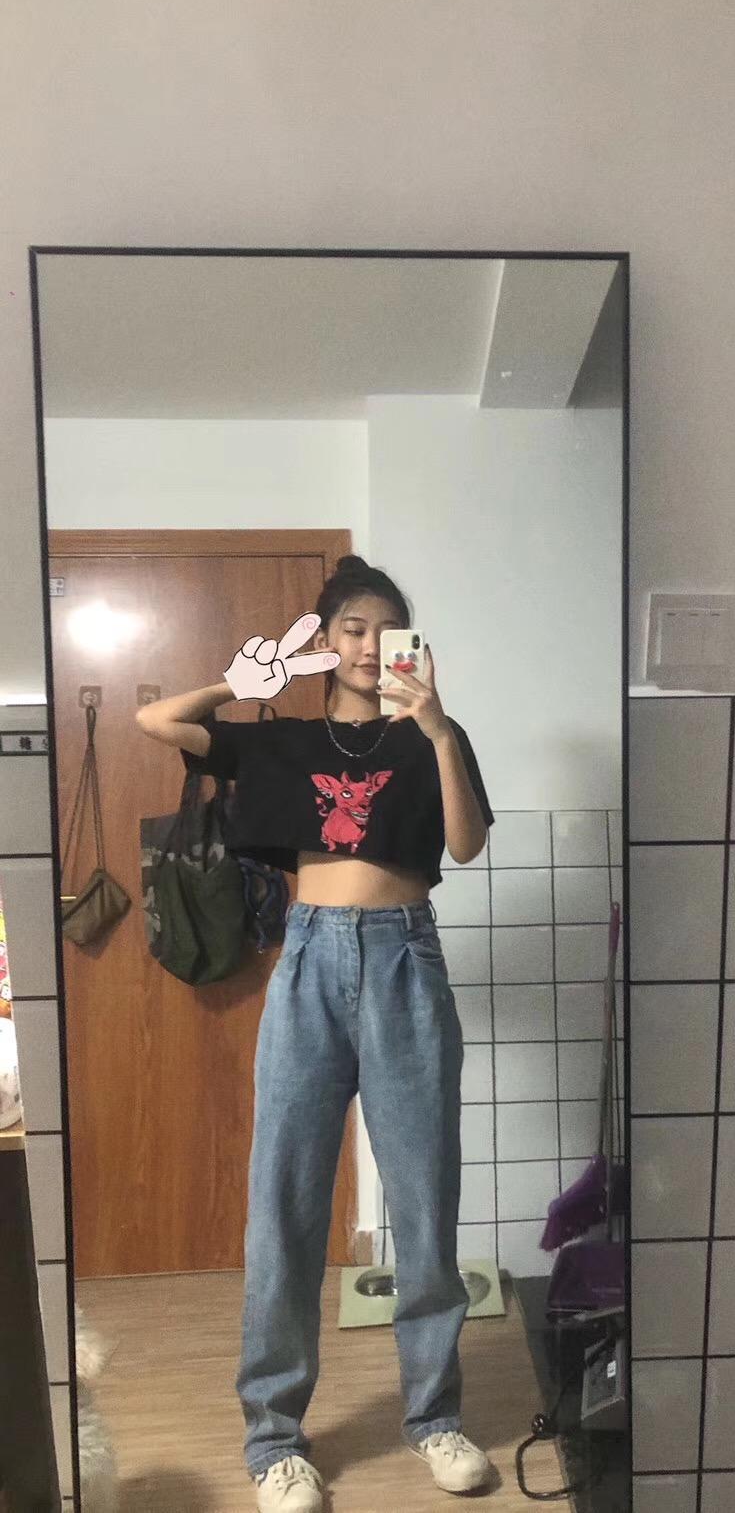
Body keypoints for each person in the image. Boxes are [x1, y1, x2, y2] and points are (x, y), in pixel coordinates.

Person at [136, 554, 496, 1511]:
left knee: (424, 1200)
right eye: (352, 630)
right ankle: (276, 1443)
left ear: (411, 644)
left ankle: (436, 1419)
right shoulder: (285, 741)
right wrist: (240, 682)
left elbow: (466, 844)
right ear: (326, 641)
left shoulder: (433, 735)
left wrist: (437, 728)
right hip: (308, 962)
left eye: (388, 630)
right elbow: (158, 723)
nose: (371, 647)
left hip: (405, 958)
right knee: (285, 1203)